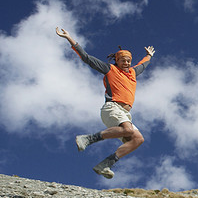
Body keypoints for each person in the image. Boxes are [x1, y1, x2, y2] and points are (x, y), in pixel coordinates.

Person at [56, 27, 155, 179]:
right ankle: (87, 138)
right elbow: (87, 58)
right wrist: (69, 38)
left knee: (138, 139)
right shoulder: (110, 69)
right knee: (128, 131)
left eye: (128, 60)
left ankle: (105, 164)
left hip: (125, 114)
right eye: (123, 60)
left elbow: (143, 64)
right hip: (112, 108)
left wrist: (148, 55)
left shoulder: (133, 73)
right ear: (117, 60)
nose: (126, 63)